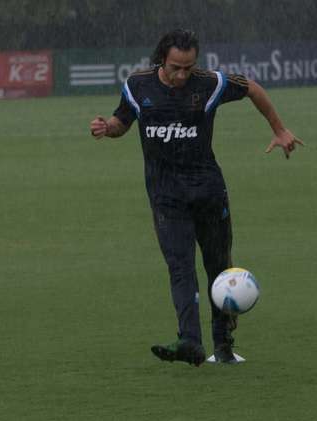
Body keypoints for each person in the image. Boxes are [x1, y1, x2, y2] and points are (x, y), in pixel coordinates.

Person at [90, 29, 302, 366]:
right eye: (176, 66)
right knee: (180, 267)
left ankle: (224, 345)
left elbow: (251, 88)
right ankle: (190, 341)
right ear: (162, 58)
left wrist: (279, 129)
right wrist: (107, 127)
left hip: (208, 192)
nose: (182, 74)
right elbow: (122, 121)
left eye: (189, 67)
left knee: (219, 267)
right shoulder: (137, 85)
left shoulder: (209, 83)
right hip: (166, 197)